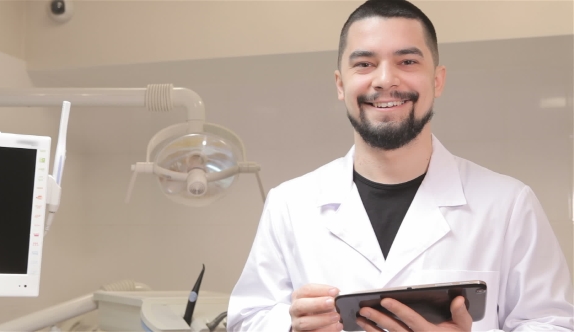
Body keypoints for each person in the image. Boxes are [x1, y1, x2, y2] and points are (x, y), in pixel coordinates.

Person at [226, 0, 574, 331]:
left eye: (407, 62)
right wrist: (289, 326)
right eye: (364, 64)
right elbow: (246, 318)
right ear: (340, 83)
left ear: (437, 80)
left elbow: (553, 324)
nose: (384, 80)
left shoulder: (508, 204)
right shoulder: (290, 204)